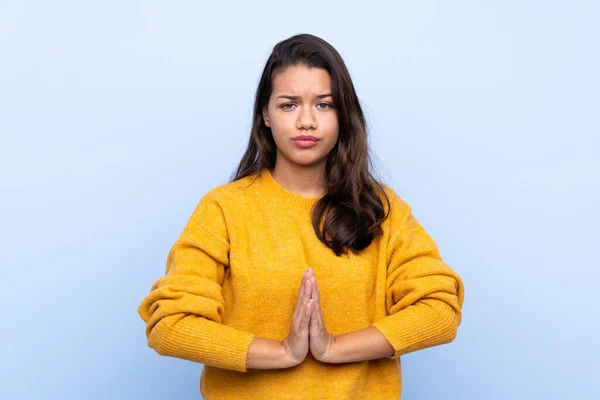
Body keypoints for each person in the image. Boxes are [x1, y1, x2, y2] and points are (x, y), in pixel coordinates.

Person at [138, 33, 465, 399]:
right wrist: (282, 352)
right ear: (265, 113)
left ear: (344, 114)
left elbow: (440, 311)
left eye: (324, 105)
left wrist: (333, 348)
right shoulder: (224, 209)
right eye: (289, 105)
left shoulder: (383, 210)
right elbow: (170, 324)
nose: (306, 121)